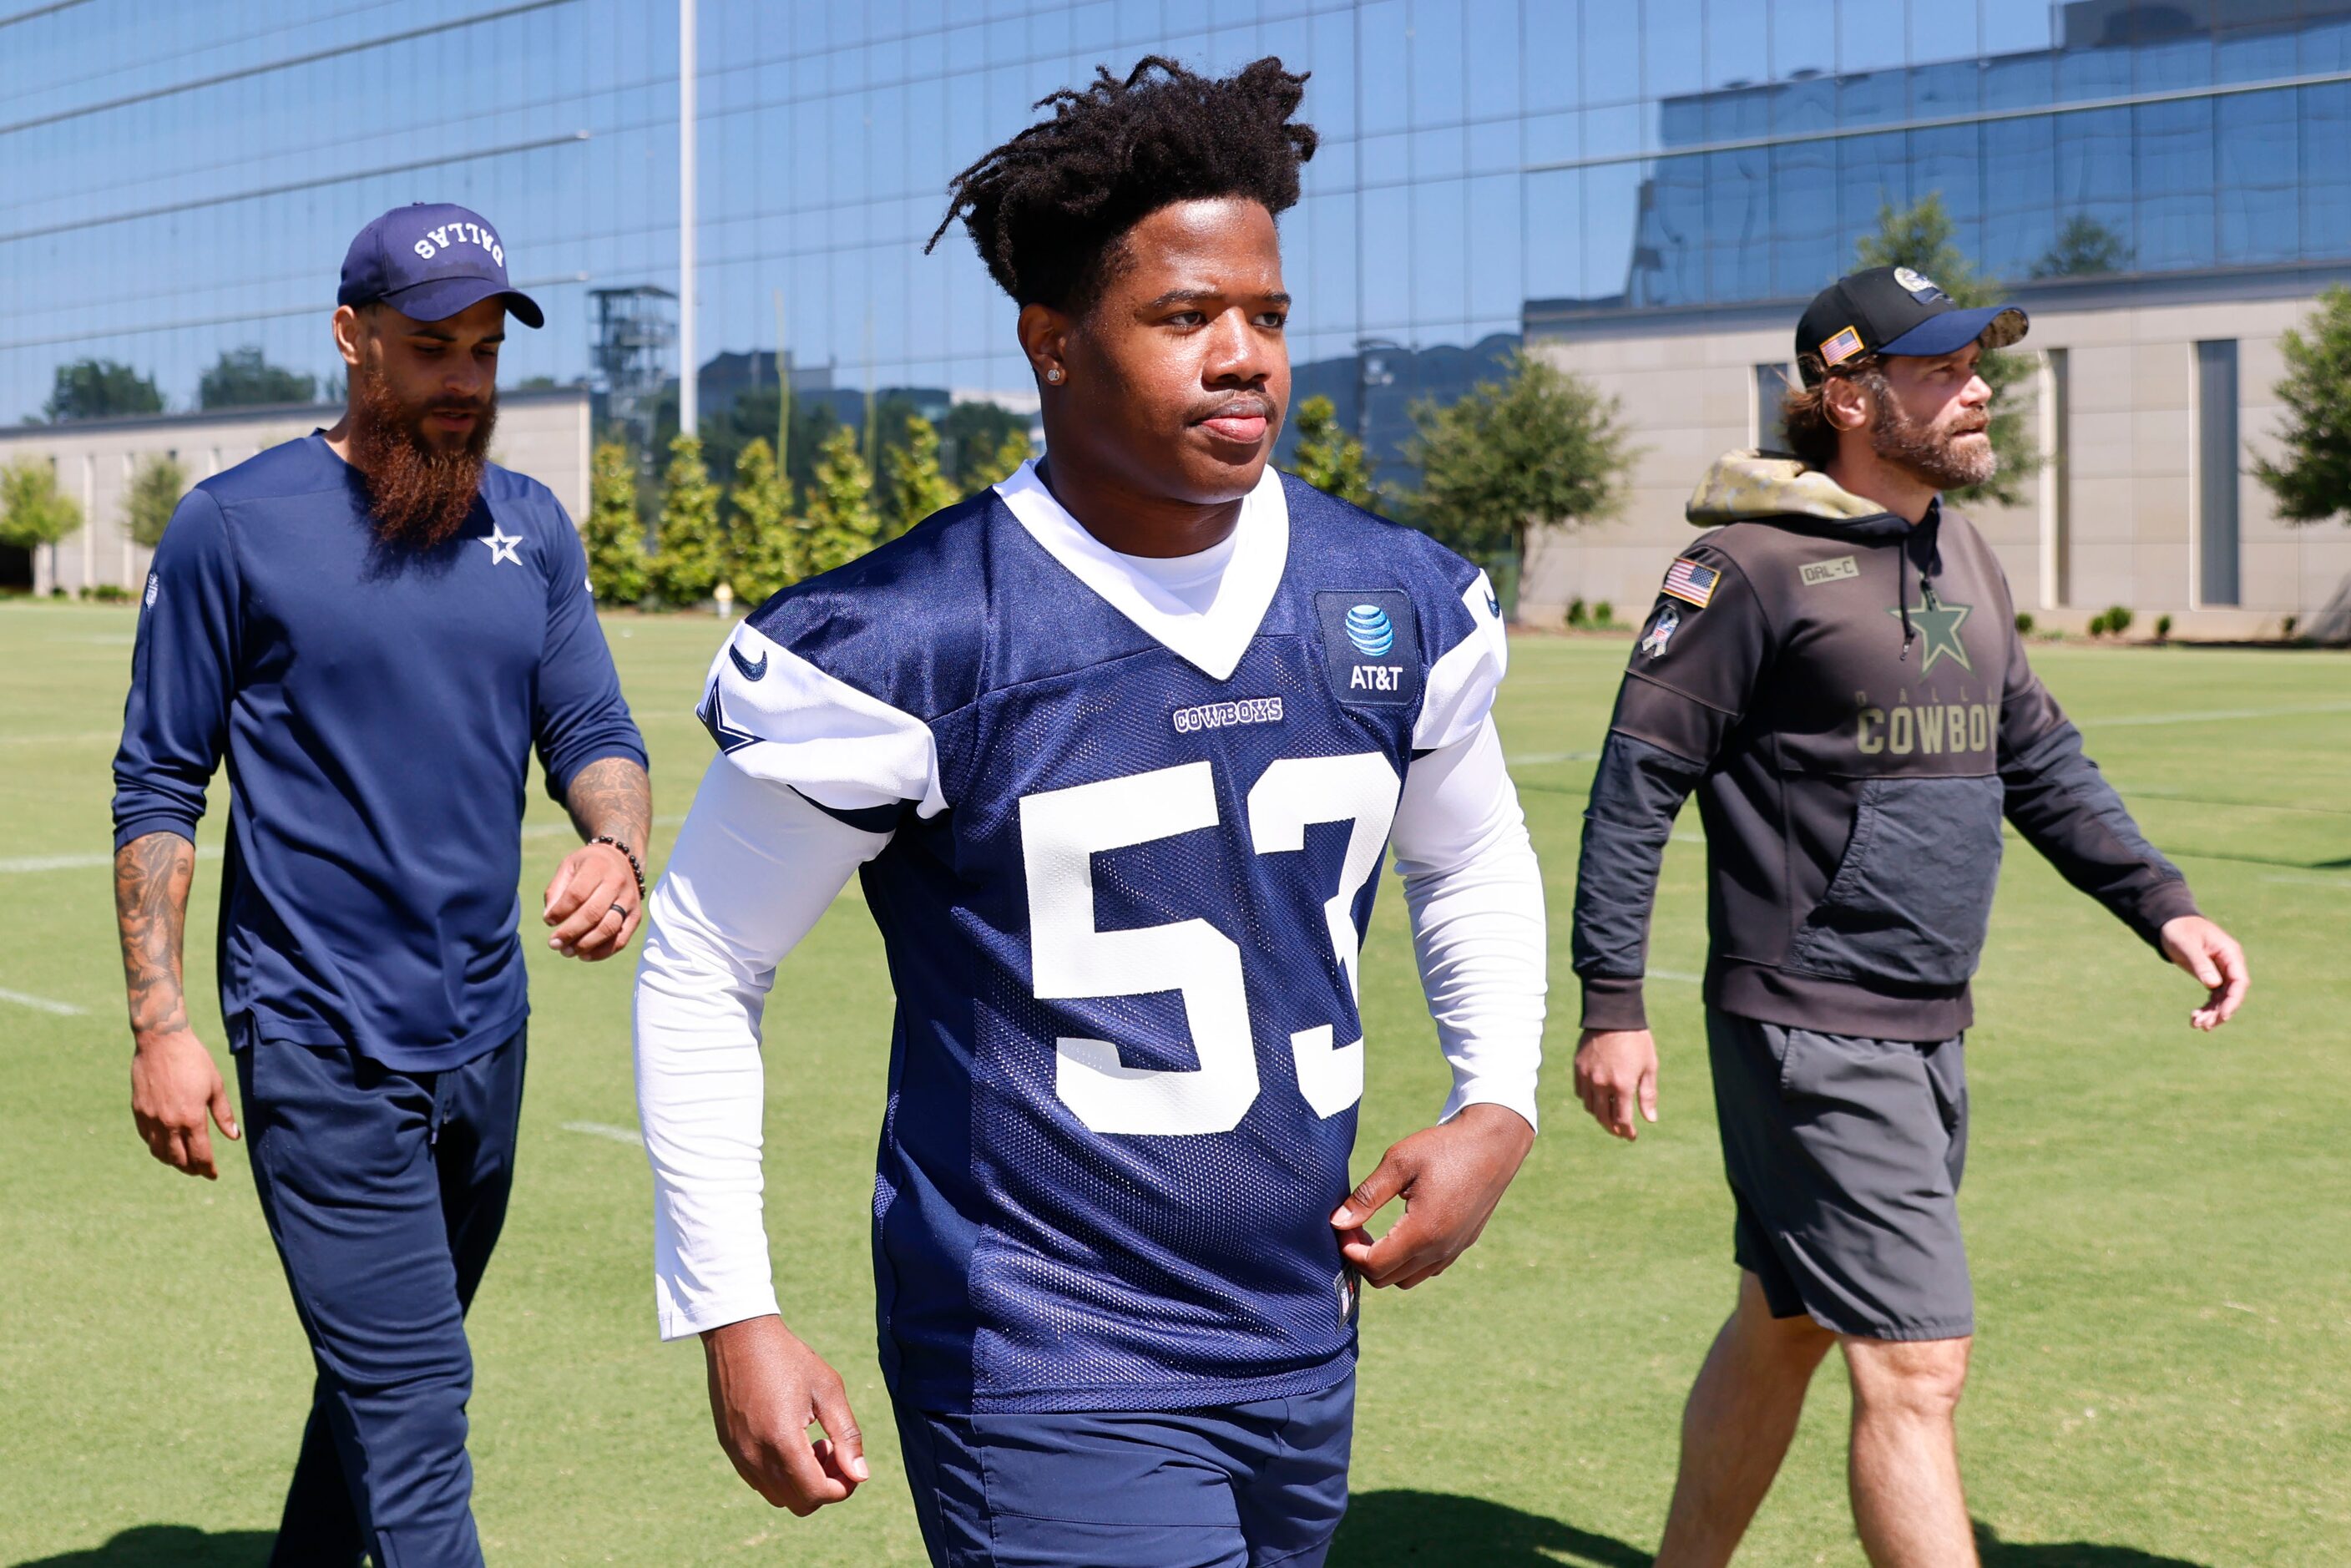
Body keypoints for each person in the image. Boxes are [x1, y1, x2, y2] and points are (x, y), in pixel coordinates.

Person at [634, 58, 1547, 1568]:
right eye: (1187, 318)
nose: (1244, 356)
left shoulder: (1383, 597)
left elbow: (1472, 859)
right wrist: (734, 1308)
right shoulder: (920, 633)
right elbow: (701, 961)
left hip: (1299, 1322)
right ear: (1051, 343)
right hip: (1044, 1348)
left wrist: (1496, 1101)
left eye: (1268, 314)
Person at [1569, 266, 2252, 1568]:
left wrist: (2162, 901)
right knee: (1918, 1363)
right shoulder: (1746, 568)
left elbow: (2038, 755)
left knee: (1786, 1317)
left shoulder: (1962, 549)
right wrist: (1614, 1003)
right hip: (1811, 1023)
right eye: (1940, 369)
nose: (1978, 385)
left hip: (1925, 1019)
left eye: (1975, 362)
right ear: (1844, 394)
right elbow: (1636, 782)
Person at [110, 201, 650, 1567]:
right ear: (354, 341)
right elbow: (160, 786)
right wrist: (161, 1023)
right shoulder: (233, 528)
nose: (465, 382)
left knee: (385, 1378)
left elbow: (596, 735)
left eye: (483, 349)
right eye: (431, 349)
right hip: (318, 1043)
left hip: (486, 1037)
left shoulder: (531, 527)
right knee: (418, 1411)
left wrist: (615, 842)